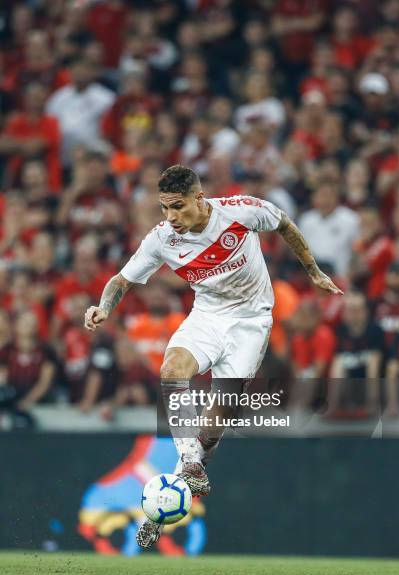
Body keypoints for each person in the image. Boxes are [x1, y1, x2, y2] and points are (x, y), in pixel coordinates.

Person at [83, 164, 342, 548]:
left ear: (199, 199)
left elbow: (284, 224)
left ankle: (171, 493)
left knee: (223, 407)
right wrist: (104, 307)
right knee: (173, 369)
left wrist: (314, 272)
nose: (171, 217)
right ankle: (188, 464)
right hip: (206, 316)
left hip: (251, 322)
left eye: (178, 207)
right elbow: (122, 279)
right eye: (164, 208)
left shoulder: (240, 211)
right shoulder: (162, 239)